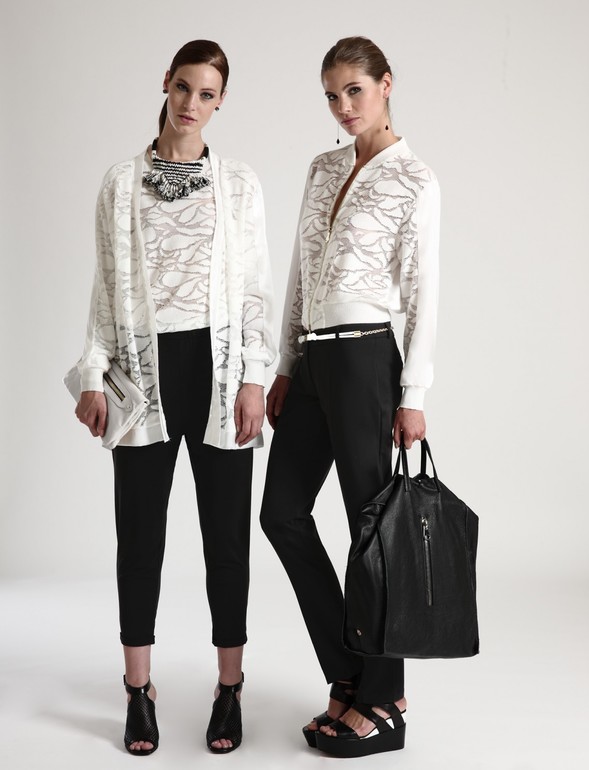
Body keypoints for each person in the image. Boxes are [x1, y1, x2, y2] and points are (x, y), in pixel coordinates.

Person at [71, 40, 275, 756]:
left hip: (218, 379)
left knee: (227, 539)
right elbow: (105, 287)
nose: (192, 104)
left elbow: (254, 289)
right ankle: (138, 689)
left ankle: (230, 686)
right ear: (165, 83)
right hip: (142, 378)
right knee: (139, 538)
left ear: (221, 102)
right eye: (184, 87)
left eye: (207, 94)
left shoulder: (238, 183)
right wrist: (92, 374)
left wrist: (254, 376)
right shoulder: (120, 183)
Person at [260, 36, 440, 758]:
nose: (342, 106)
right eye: (332, 95)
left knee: (372, 535)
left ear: (385, 85)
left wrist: (412, 392)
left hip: (367, 359)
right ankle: (349, 672)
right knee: (281, 514)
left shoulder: (415, 180)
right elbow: (300, 272)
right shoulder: (323, 167)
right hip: (311, 362)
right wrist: (285, 363)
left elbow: (424, 293)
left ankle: (386, 699)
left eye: (354, 91)